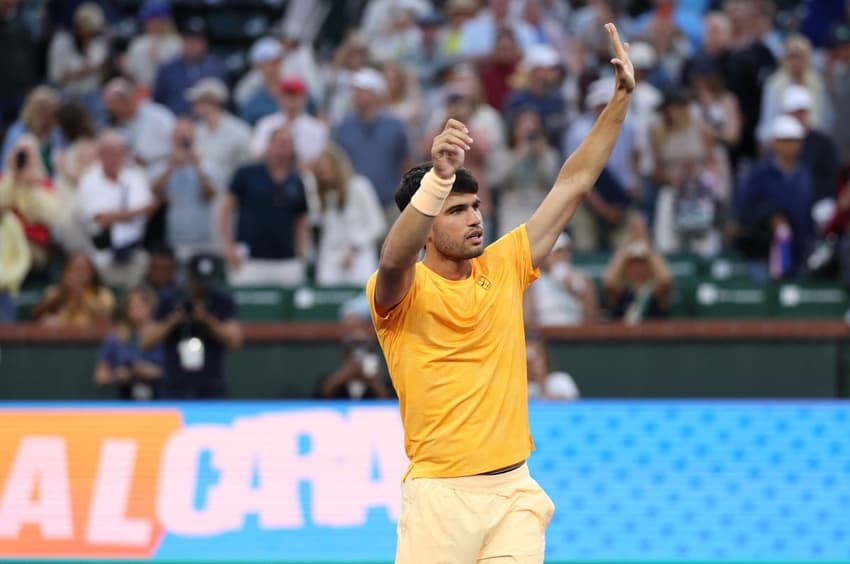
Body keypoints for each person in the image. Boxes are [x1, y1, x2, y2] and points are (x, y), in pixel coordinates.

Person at [366, 23, 633, 563]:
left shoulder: (506, 263)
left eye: (476, 207)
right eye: (457, 210)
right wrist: (436, 181)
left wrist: (621, 100)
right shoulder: (399, 290)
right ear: (426, 222)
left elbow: (573, 183)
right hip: (439, 501)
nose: (475, 220)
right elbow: (395, 255)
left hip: (514, 493)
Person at [140, 252, 242, 399]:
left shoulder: (222, 300)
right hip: (174, 387)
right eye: (198, 281)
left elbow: (235, 340)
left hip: (211, 387)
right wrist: (175, 319)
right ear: (189, 275)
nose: (201, 287)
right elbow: (145, 340)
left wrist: (206, 319)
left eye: (205, 282)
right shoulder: (169, 299)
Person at [221, 127, 310, 287]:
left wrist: (300, 253)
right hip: (249, 260)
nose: (284, 147)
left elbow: (301, 219)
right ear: (269, 145)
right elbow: (226, 210)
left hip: (286, 260)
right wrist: (228, 247)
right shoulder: (247, 173)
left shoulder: (297, 180)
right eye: (280, 142)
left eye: (288, 143)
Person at [78, 129, 157, 288]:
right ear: (100, 155)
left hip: (134, 249)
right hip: (102, 251)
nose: (115, 157)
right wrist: (136, 212)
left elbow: (150, 209)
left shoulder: (134, 177)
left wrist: (119, 215)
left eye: (118, 152)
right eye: (109, 152)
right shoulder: (90, 180)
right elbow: (101, 219)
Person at [311, 143, 386, 287]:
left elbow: (377, 225)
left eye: (328, 166)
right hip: (330, 262)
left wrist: (354, 247)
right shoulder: (322, 196)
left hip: (359, 259)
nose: (325, 172)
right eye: (320, 169)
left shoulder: (359, 186)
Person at [150, 117, 216, 256]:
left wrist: (197, 166)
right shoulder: (162, 165)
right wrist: (171, 167)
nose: (182, 138)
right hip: (170, 238)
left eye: (186, 134)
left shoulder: (207, 166)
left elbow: (211, 194)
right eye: (178, 134)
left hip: (202, 238)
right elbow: (154, 192)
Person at [94, 286, 164, 401]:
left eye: (141, 305)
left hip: (163, 402)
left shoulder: (163, 334)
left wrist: (154, 372)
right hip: (126, 402)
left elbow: (180, 375)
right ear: (126, 310)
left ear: (151, 307)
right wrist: (116, 375)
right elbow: (100, 377)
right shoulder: (116, 338)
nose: (137, 310)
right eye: (132, 306)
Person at [602, 215, 673, 324]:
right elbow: (608, 281)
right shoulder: (623, 293)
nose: (638, 268)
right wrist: (626, 245)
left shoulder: (654, 293)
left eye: (642, 263)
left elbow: (666, 280)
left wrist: (647, 242)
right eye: (633, 263)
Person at [151, 16, 226, 116]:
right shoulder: (167, 69)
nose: (193, 45)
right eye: (189, 40)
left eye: (198, 41)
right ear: (182, 41)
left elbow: (224, 104)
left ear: (205, 43)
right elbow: (158, 104)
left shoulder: (216, 68)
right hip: (174, 124)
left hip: (207, 125)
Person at [524, 233, 598, 327]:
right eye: (558, 252)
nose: (563, 256)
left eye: (566, 251)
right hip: (544, 335)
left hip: (576, 334)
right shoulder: (532, 281)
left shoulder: (581, 278)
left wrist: (576, 291)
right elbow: (527, 320)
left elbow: (593, 318)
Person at [32, 251, 115, 327]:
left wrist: (81, 296)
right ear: (66, 272)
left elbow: (106, 321)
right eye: (74, 270)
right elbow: (35, 316)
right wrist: (60, 295)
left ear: (92, 273)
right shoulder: (57, 290)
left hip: (90, 337)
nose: (78, 275)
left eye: (82, 270)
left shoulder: (102, 293)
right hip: (61, 336)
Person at [315, 328, 391, 400]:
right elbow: (318, 401)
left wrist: (373, 382)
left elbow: (391, 405)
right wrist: (341, 377)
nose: (357, 356)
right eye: (353, 348)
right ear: (344, 356)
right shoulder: (329, 382)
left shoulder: (385, 384)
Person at [525, 332, 580, 400]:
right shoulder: (519, 387)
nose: (531, 361)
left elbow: (571, 406)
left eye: (536, 354)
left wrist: (541, 382)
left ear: (545, 357)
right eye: (528, 355)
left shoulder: (560, 380)